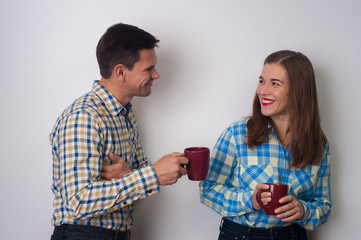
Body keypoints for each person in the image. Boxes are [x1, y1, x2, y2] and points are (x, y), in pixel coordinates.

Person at [49, 23, 189, 240]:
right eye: (148, 68)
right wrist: (151, 175)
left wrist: (130, 176)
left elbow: (133, 179)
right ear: (121, 72)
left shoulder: (125, 114)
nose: (157, 75)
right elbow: (78, 201)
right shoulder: (84, 117)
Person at [199, 50, 331, 240]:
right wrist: (249, 200)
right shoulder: (237, 134)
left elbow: (323, 205)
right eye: (262, 81)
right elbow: (208, 189)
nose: (263, 90)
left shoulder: (318, 143)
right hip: (241, 235)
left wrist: (303, 210)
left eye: (275, 83)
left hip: (292, 236)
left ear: (298, 90)